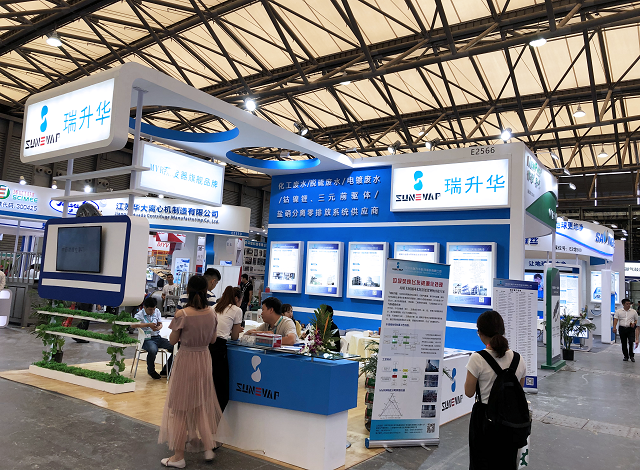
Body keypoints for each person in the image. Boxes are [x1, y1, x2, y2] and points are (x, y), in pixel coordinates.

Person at [159, 275, 222, 468]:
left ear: (188, 290)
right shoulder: (212, 313)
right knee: (200, 405)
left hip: (186, 359)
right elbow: (213, 340)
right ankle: (208, 448)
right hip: (204, 359)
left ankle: (178, 456)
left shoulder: (183, 314)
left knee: (179, 409)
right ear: (206, 291)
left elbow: (172, 340)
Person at [464, 310, 526, 470]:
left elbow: (469, 392)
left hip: (485, 419)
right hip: (510, 419)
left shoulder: (477, 358)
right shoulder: (518, 359)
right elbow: (518, 391)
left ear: (481, 332)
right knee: (507, 462)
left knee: (481, 463)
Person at [211, 286, 244, 411]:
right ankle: (217, 416)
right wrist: (236, 331)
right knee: (221, 386)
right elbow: (235, 337)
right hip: (219, 348)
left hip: (207, 345)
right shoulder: (236, 310)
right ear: (236, 298)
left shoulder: (214, 307)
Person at [132, 297, 173, 379]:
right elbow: (132, 325)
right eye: (150, 309)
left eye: (154, 309)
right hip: (146, 340)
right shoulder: (139, 314)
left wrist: (158, 327)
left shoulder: (157, 311)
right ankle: (151, 371)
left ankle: (166, 369)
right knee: (153, 350)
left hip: (158, 337)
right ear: (144, 307)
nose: (152, 311)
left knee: (174, 347)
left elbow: (160, 323)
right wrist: (148, 325)